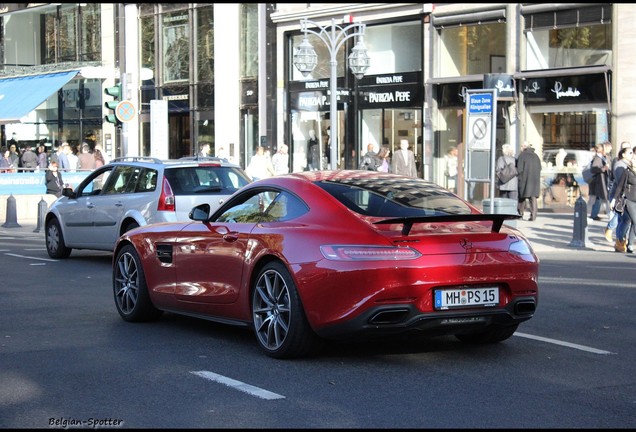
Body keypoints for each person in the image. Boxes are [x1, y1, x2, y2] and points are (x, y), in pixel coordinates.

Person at [608, 146, 633, 250]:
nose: (632, 155)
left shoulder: (628, 165)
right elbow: (620, 183)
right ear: (623, 154)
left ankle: (620, 240)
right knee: (626, 219)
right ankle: (619, 240)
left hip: (627, 196)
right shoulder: (620, 165)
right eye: (630, 153)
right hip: (620, 196)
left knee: (625, 219)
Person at [613, 149, 636, 253]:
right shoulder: (627, 171)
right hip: (629, 199)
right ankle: (622, 241)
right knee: (634, 221)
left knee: (633, 222)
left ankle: (630, 244)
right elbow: (620, 186)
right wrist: (614, 199)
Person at [516, 141, 542, 221]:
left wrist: (519, 177)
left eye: (521, 146)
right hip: (534, 181)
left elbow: (519, 169)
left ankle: (520, 214)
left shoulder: (522, 155)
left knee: (522, 198)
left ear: (524, 147)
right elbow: (540, 168)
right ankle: (533, 216)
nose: (520, 148)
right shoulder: (536, 156)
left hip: (524, 180)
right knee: (533, 198)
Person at [589, 142, 611, 221]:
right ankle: (609, 215)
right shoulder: (598, 158)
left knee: (599, 199)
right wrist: (603, 168)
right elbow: (593, 169)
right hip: (599, 181)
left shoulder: (604, 157)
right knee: (603, 198)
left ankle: (594, 214)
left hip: (602, 180)